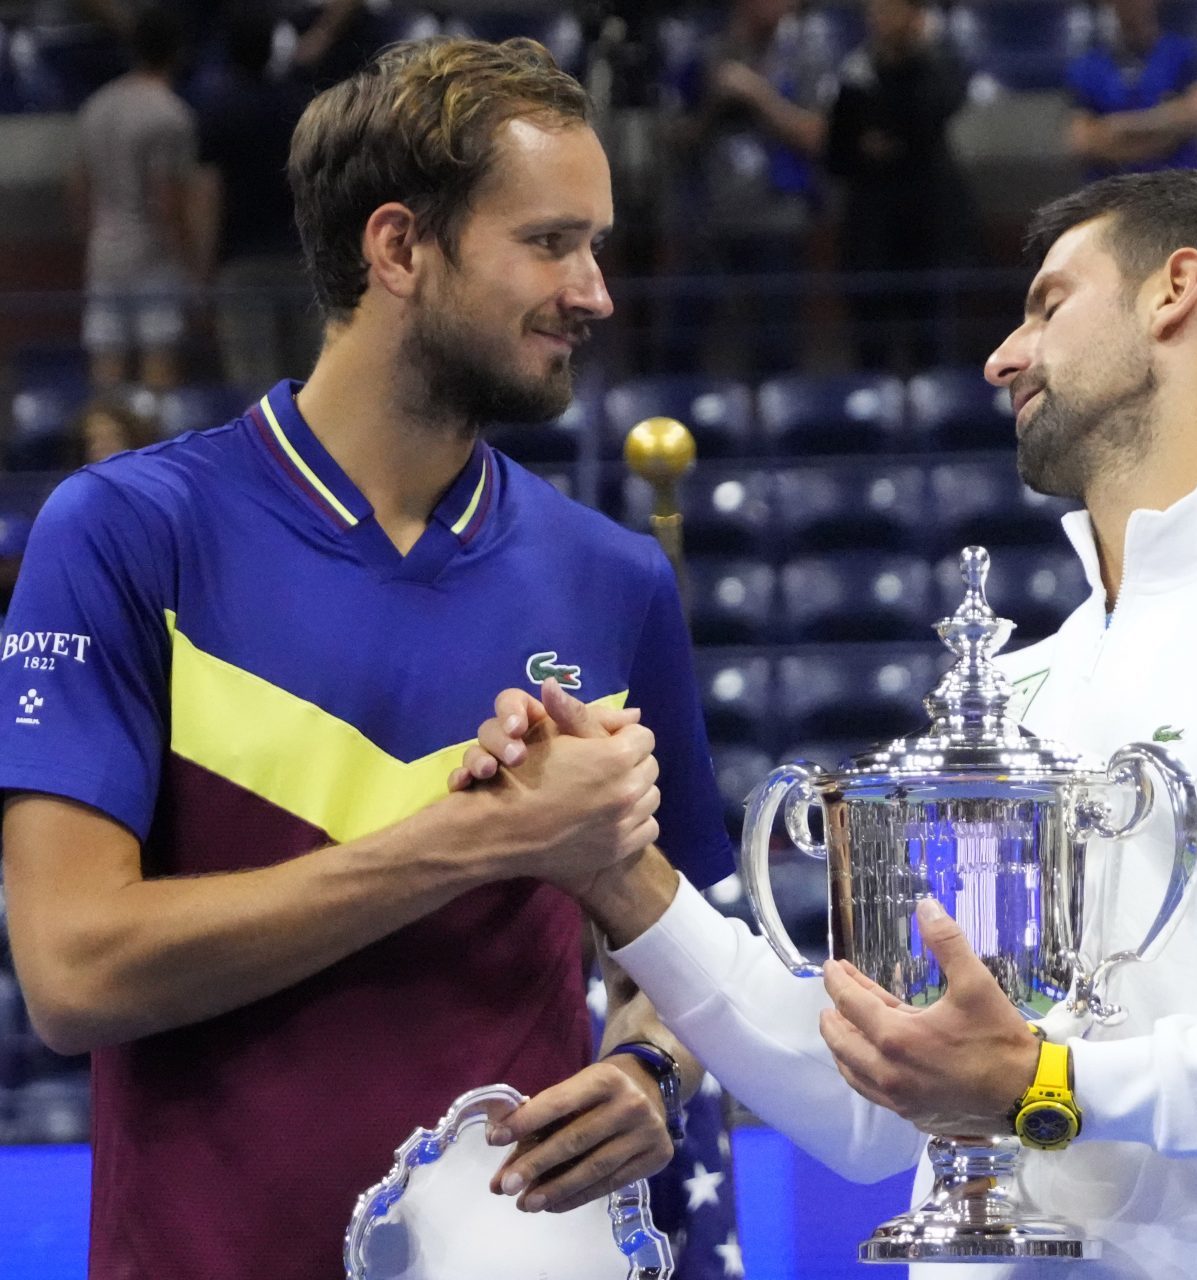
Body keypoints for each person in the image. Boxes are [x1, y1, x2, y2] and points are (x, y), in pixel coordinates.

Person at [464, 169, 1197, 1278]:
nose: (1002, 356)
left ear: (1177, 292)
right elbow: (879, 1110)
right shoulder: (1019, 689)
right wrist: (620, 874)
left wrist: (1042, 1083)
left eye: (1048, 304)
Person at [0, 38, 735, 1280]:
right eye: (551, 242)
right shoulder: (128, 532)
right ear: (398, 248)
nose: (596, 289)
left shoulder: (613, 577)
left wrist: (650, 1064)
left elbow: (693, 951)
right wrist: (477, 838)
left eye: (595, 245)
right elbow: (73, 966)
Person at [661, 0, 832, 372]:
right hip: (709, 223)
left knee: (777, 347)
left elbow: (816, 137)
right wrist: (713, 104)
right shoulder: (705, 56)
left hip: (778, 222)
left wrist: (759, 96)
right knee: (680, 343)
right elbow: (675, 139)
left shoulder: (804, 57)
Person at [824, 0, 975, 372]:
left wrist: (889, 134)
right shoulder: (856, 72)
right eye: (873, 13)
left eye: (890, 11)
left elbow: (936, 111)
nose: (880, 20)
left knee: (931, 345)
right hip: (870, 231)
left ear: (914, 16)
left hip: (928, 226)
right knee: (871, 346)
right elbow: (836, 153)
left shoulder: (937, 66)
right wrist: (865, 146)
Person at [71, 6, 205, 391]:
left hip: (104, 248)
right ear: (177, 51)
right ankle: (150, 448)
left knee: (106, 361)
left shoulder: (95, 106)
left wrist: (94, 236)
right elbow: (168, 201)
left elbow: (77, 187)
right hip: (154, 253)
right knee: (158, 364)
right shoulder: (171, 115)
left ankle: (108, 450)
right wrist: (191, 264)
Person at [198, 10, 321, 393]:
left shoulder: (219, 111)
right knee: (313, 382)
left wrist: (202, 269)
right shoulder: (301, 107)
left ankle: (262, 456)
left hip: (242, 265)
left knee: (252, 383)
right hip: (303, 259)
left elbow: (208, 195)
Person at [1064, 0, 1197, 181]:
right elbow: (1083, 142)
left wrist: (1118, 128)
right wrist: (1168, 122)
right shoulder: (1087, 67)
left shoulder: (1184, 53)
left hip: (1180, 188)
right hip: (1112, 193)